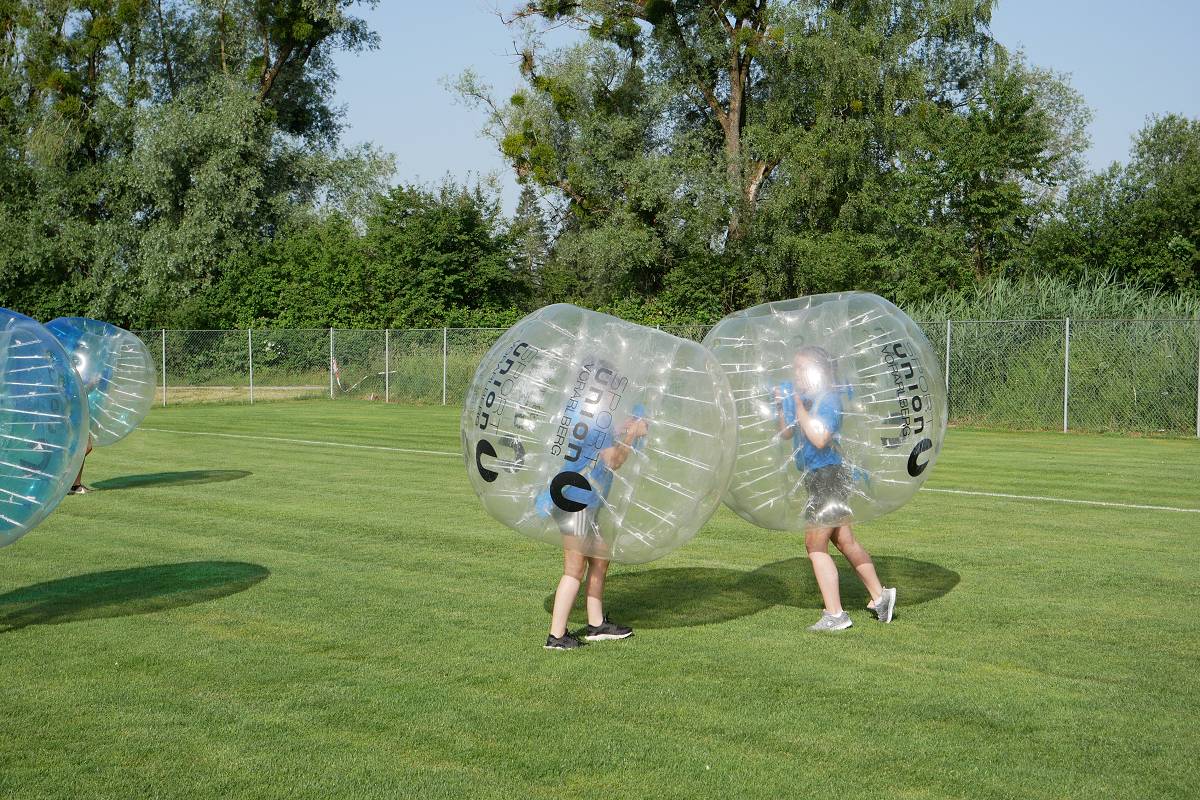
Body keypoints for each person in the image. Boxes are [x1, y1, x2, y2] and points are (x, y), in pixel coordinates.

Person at [776, 346, 896, 632]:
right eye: (795, 368)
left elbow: (820, 438)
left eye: (802, 369)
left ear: (818, 372)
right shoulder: (804, 398)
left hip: (829, 476)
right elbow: (787, 433)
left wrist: (799, 406)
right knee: (845, 542)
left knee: (814, 545)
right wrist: (783, 405)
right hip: (817, 477)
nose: (796, 374)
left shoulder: (829, 399)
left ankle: (835, 614)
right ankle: (881, 597)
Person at [542, 411, 648, 650]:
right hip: (576, 504)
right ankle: (556, 636)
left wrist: (620, 428)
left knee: (600, 558)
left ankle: (597, 625)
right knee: (574, 570)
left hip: (588, 503)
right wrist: (631, 434)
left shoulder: (595, 417)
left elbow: (598, 442)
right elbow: (614, 461)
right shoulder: (597, 422)